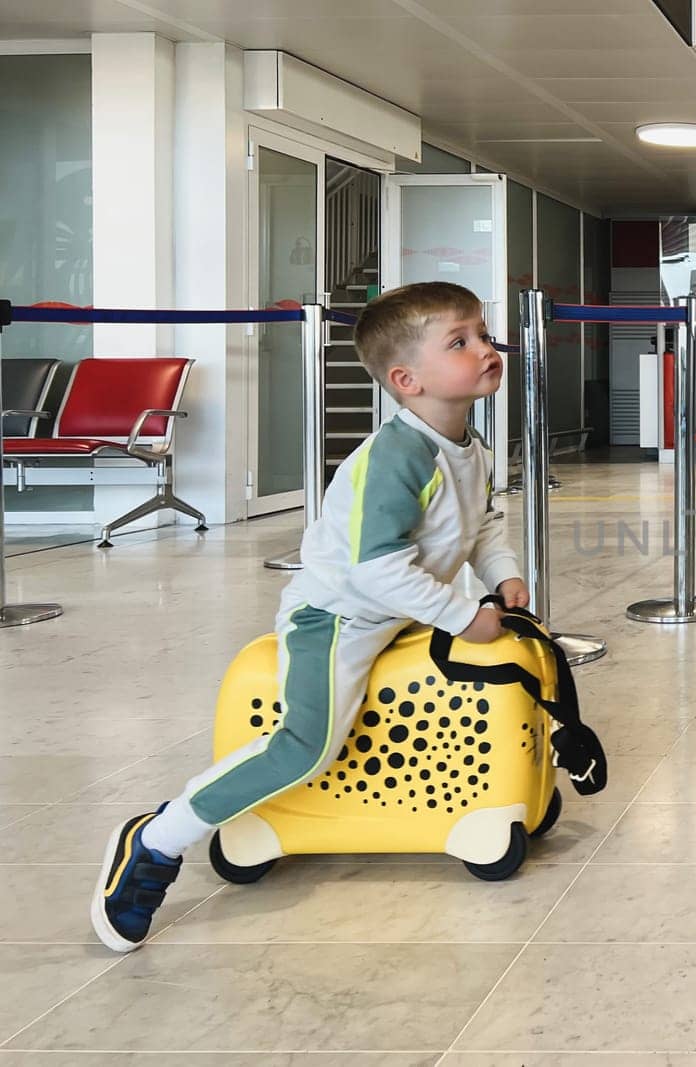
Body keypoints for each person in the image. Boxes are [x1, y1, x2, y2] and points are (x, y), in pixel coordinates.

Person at [91, 281, 527, 952]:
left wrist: (504, 575)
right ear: (407, 380)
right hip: (339, 620)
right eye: (461, 341)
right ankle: (158, 837)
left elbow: (481, 523)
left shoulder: (468, 445)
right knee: (305, 744)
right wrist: (461, 614)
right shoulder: (396, 458)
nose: (486, 348)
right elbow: (373, 568)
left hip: (397, 613)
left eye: (483, 332)